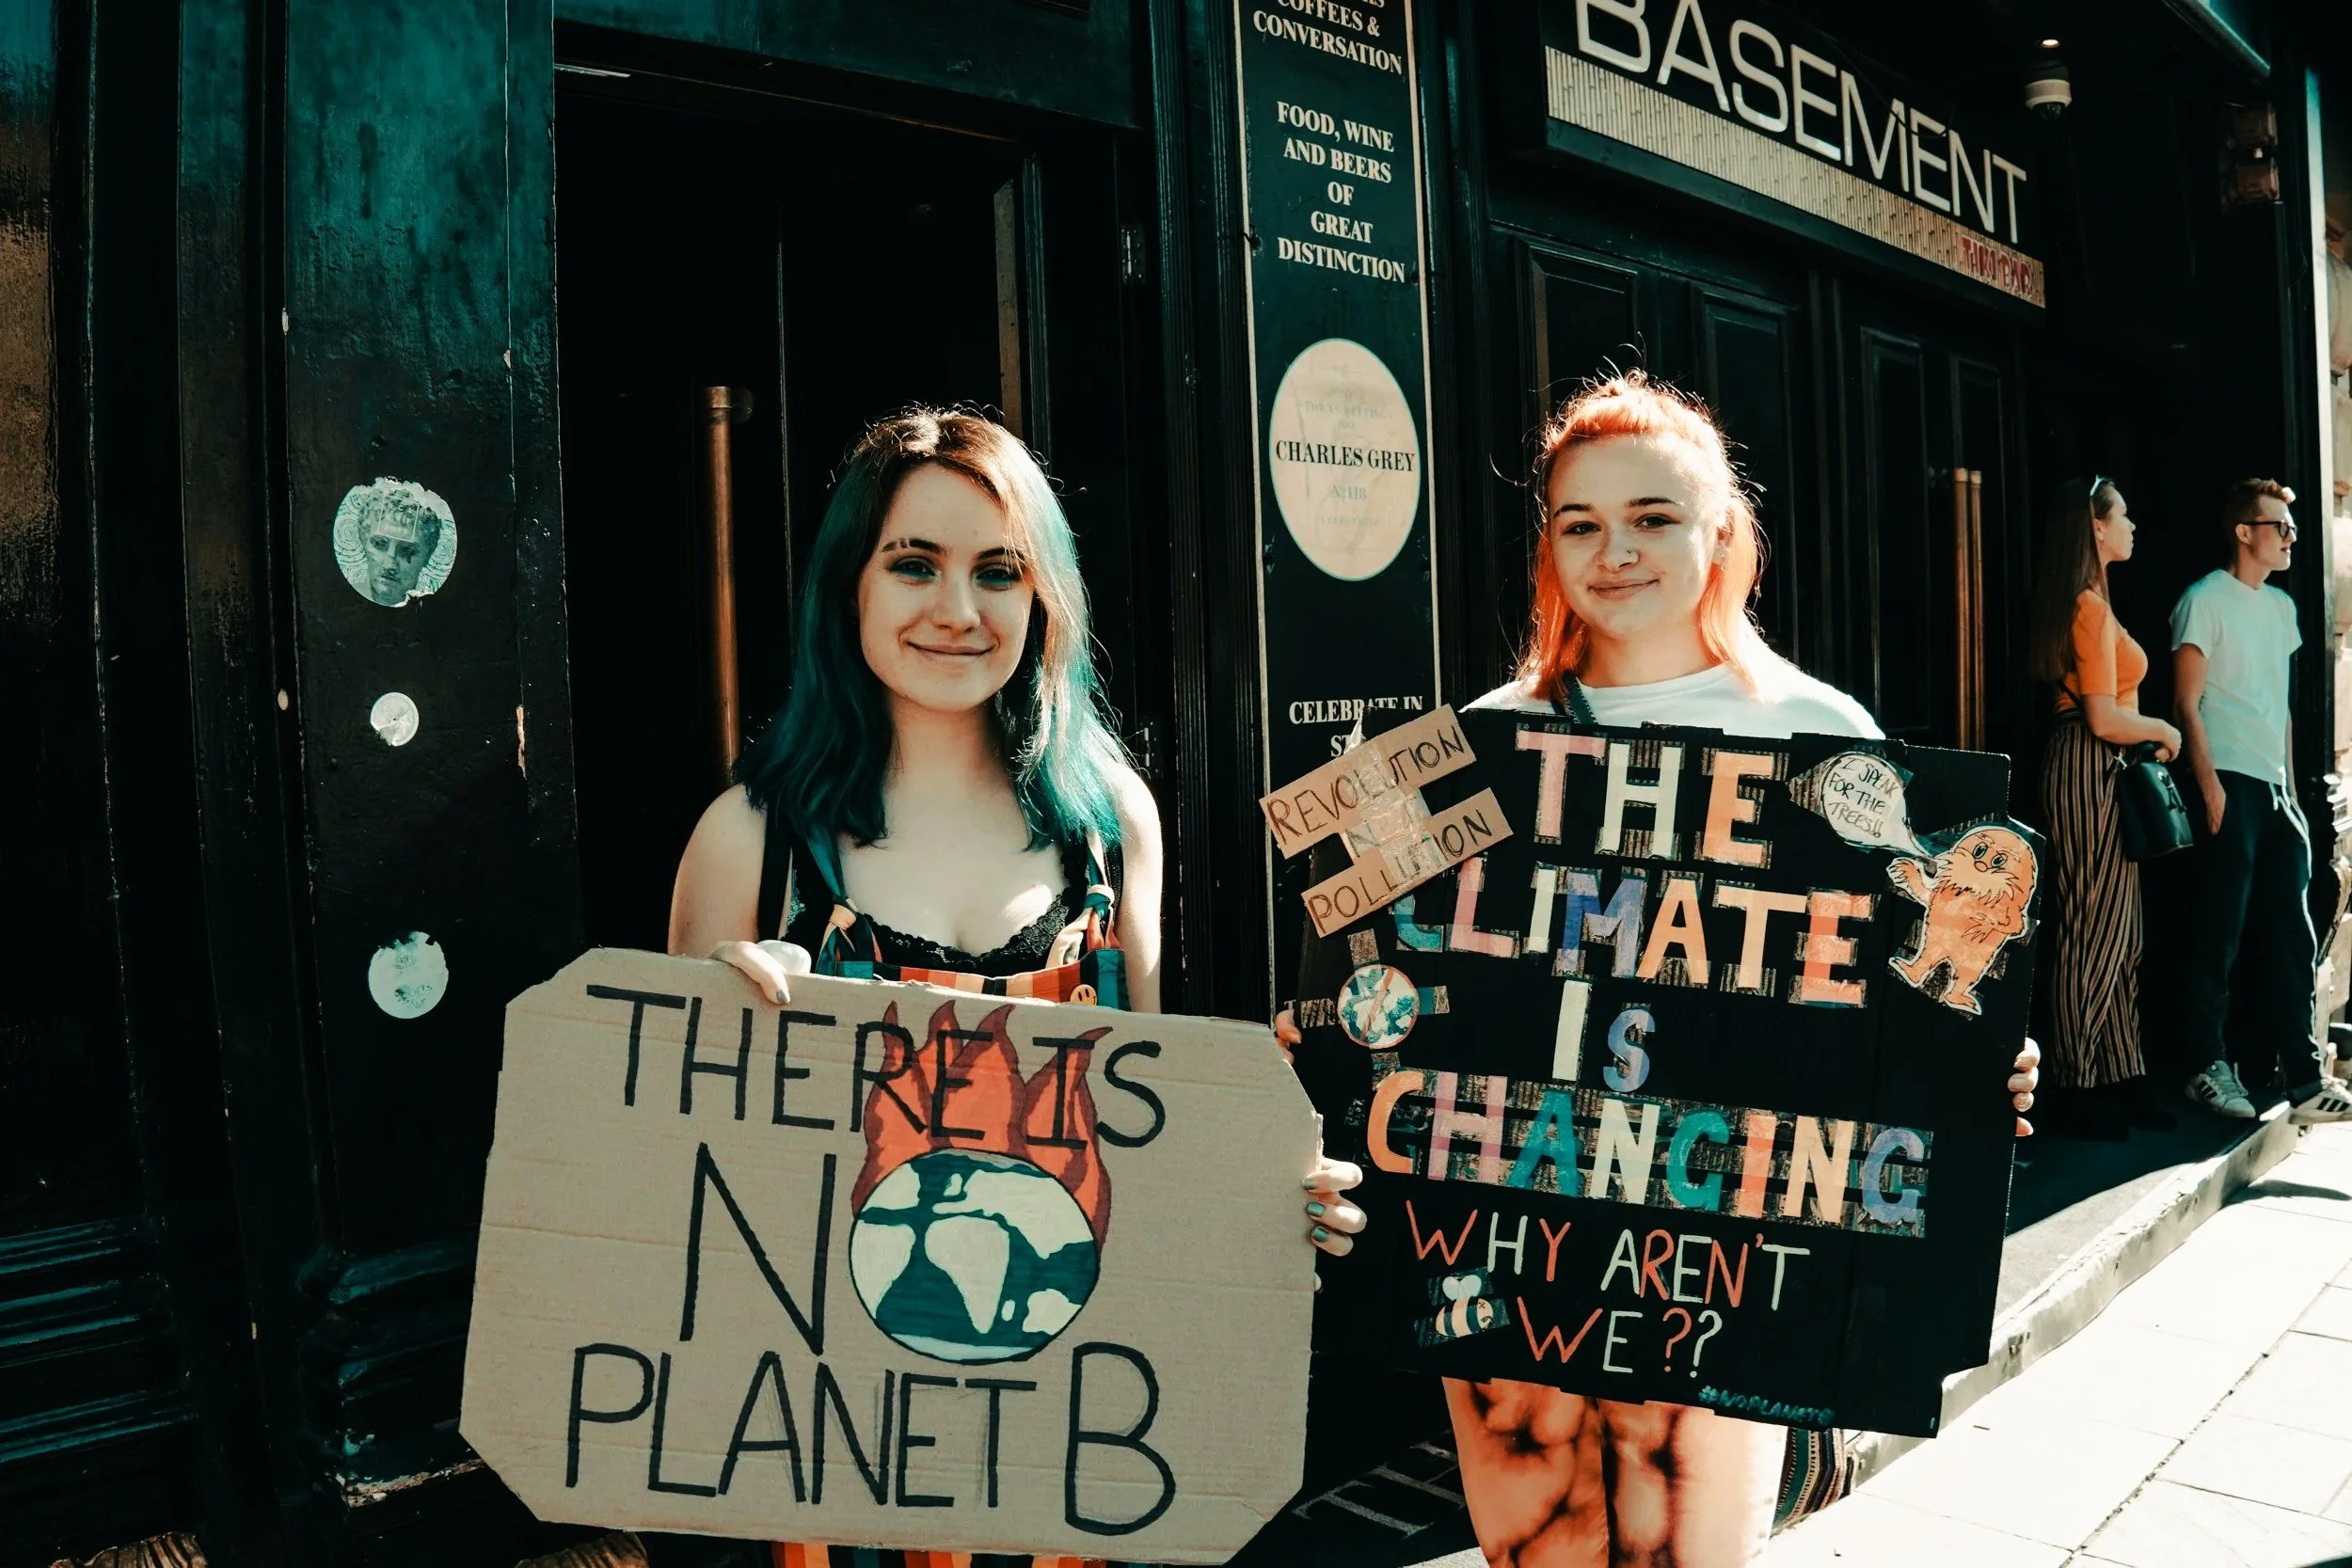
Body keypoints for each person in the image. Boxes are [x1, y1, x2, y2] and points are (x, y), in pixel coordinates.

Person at [1282, 372, 2040, 1565]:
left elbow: (1905, 998)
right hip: (1503, 1236)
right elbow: (1362, 996)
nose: (1613, 549)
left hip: (1719, 1245)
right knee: (1535, 1546)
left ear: (1723, 529)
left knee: (1682, 1551)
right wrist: (1321, 1059)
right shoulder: (1475, 741)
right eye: (1579, 522)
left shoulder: (1823, 736)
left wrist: (1973, 1065)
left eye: (1652, 517)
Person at [669, 408, 1366, 1568]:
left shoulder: (1110, 829)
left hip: (1068, 1431)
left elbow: (1150, 1138)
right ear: (849, 584)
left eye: (999, 570)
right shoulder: (751, 842)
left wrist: (1272, 1200)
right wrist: (728, 1028)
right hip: (834, 1442)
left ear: (1044, 597)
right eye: (913, 563)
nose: (958, 608)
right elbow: (672, 1192)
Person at [2171, 479, 2352, 1125]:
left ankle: (2305, 1078)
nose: (2291, 537)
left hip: (2276, 789)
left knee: (2292, 933)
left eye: (2293, 528)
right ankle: (2203, 1064)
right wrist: (2211, 785)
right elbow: (2186, 702)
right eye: (2280, 527)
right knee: (2218, 931)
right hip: (2227, 779)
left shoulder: (2281, 609)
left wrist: (2292, 787)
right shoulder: (2203, 600)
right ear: (2244, 531)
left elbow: (2279, 708)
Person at [2026, 477, 2181, 1139]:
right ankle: (2075, 1083)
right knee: (2094, 927)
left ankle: (2119, 1073)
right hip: (2088, 765)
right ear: (2095, 526)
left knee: (2122, 929)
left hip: (2101, 769)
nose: (2134, 525)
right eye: (2123, 514)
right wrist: (2165, 731)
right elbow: (2100, 714)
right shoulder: (2087, 606)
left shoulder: (2096, 603)